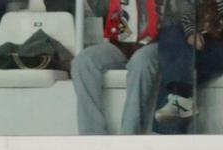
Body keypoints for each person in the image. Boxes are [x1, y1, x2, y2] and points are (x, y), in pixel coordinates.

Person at [70, 0, 160, 135]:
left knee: (140, 62)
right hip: (121, 44)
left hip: (156, 44)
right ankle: (93, 139)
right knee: (83, 61)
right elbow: (100, 10)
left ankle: (129, 139)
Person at [152, 0, 223, 133]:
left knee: (176, 68)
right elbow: (188, 10)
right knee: (171, 33)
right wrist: (191, 33)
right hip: (203, 43)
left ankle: (163, 135)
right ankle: (181, 98)